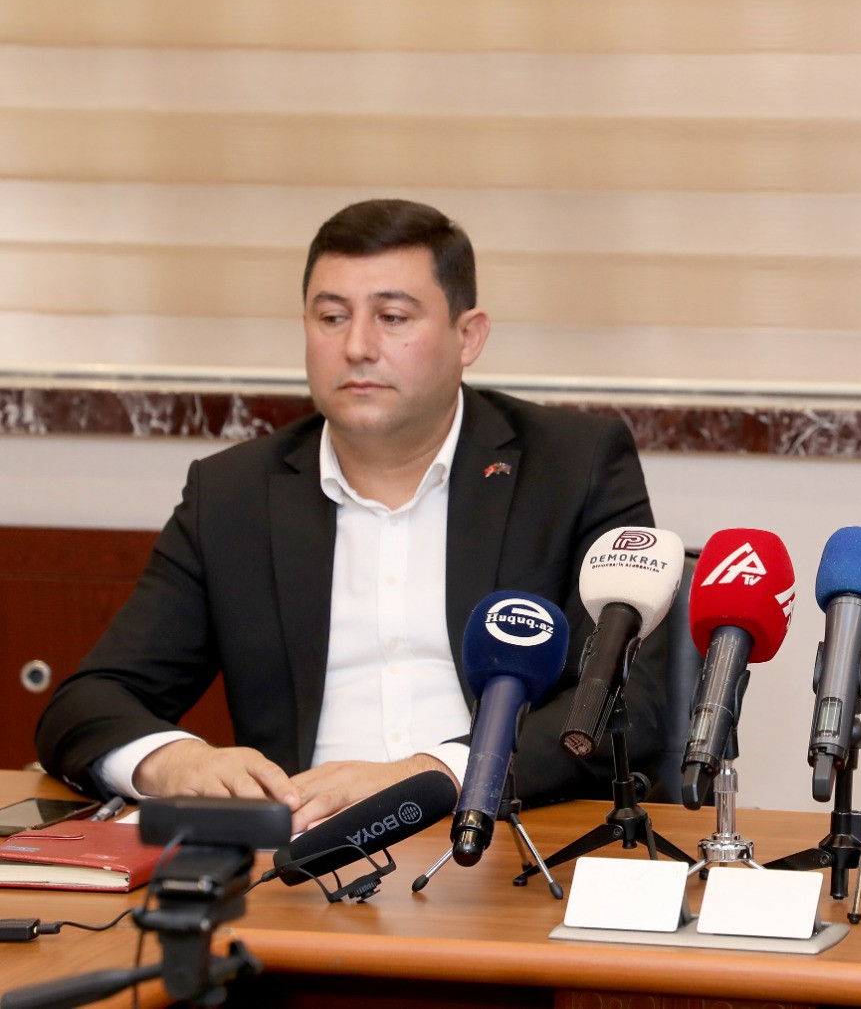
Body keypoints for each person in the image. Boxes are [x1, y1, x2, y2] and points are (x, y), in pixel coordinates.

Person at [36, 199, 666, 833]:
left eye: (392, 318)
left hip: (500, 839)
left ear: (468, 336)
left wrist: (438, 775)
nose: (357, 347)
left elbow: (628, 703)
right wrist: (174, 762)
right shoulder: (232, 495)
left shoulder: (571, 466)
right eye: (332, 317)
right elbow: (88, 702)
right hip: (303, 857)